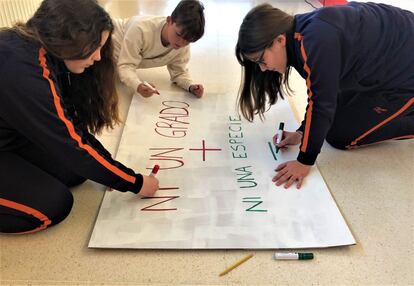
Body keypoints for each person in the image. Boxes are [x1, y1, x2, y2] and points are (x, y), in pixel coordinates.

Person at [0, 0, 159, 234]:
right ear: (69, 38)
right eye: (94, 48)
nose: (97, 57)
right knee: (53, 206)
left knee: (74, 172)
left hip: (9, 136)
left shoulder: (43, 51)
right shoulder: (27, 74)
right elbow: (71, 145)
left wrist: (113, 172)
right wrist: (134, 183)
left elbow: (72, 131)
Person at [236, 2, 414, 189]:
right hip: (390, 54)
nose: (262, 69)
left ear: (279, 40)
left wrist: (304, 161)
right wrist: (301, 133)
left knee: (340, 136)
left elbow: (322, 104)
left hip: (405, 75)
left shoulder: (315, 42)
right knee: (328, 122)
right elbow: (322, 91)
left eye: (261, 60)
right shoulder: (297, 34)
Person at [112, 0, 205, 98]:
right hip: (104, 41)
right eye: (178, 35)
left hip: (115, 61)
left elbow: (179, 72)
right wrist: (137, 85)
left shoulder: (182, 44)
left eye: (187, 40)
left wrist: (190, 86)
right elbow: (125, 66)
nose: (181, 43)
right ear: (169, 20)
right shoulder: (140, 29)